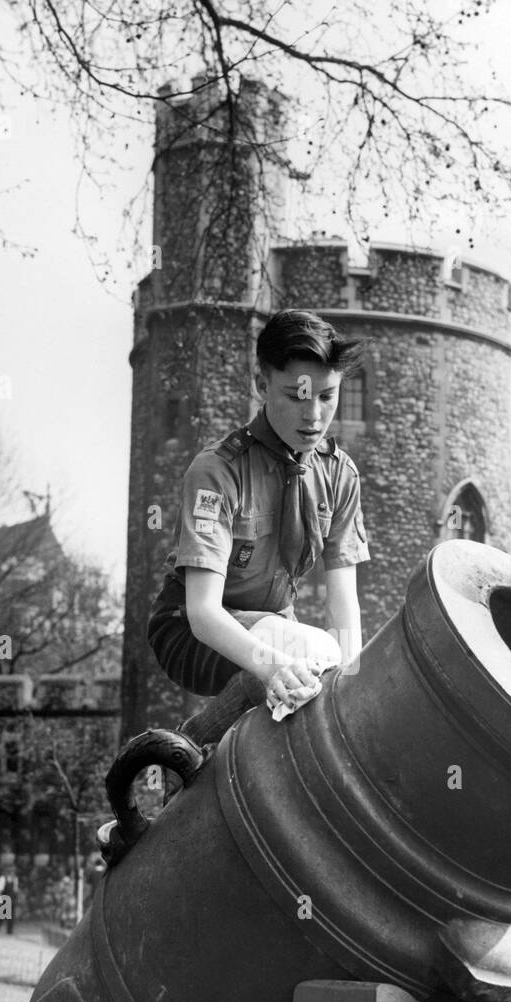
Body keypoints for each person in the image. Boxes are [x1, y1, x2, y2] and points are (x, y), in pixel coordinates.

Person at [147, 309, 370, 757]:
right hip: (190, 630)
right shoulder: (217, 470)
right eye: (297, 396)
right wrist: (273, 667)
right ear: (261, 384)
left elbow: (343, 600)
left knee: (323, 681)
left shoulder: (340, 474)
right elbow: (204, 612)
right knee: (310, 651)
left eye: (328, 397)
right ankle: (173, 758)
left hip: (275, 633)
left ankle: (183, 796)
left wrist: (352, 690)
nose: (314, 415)